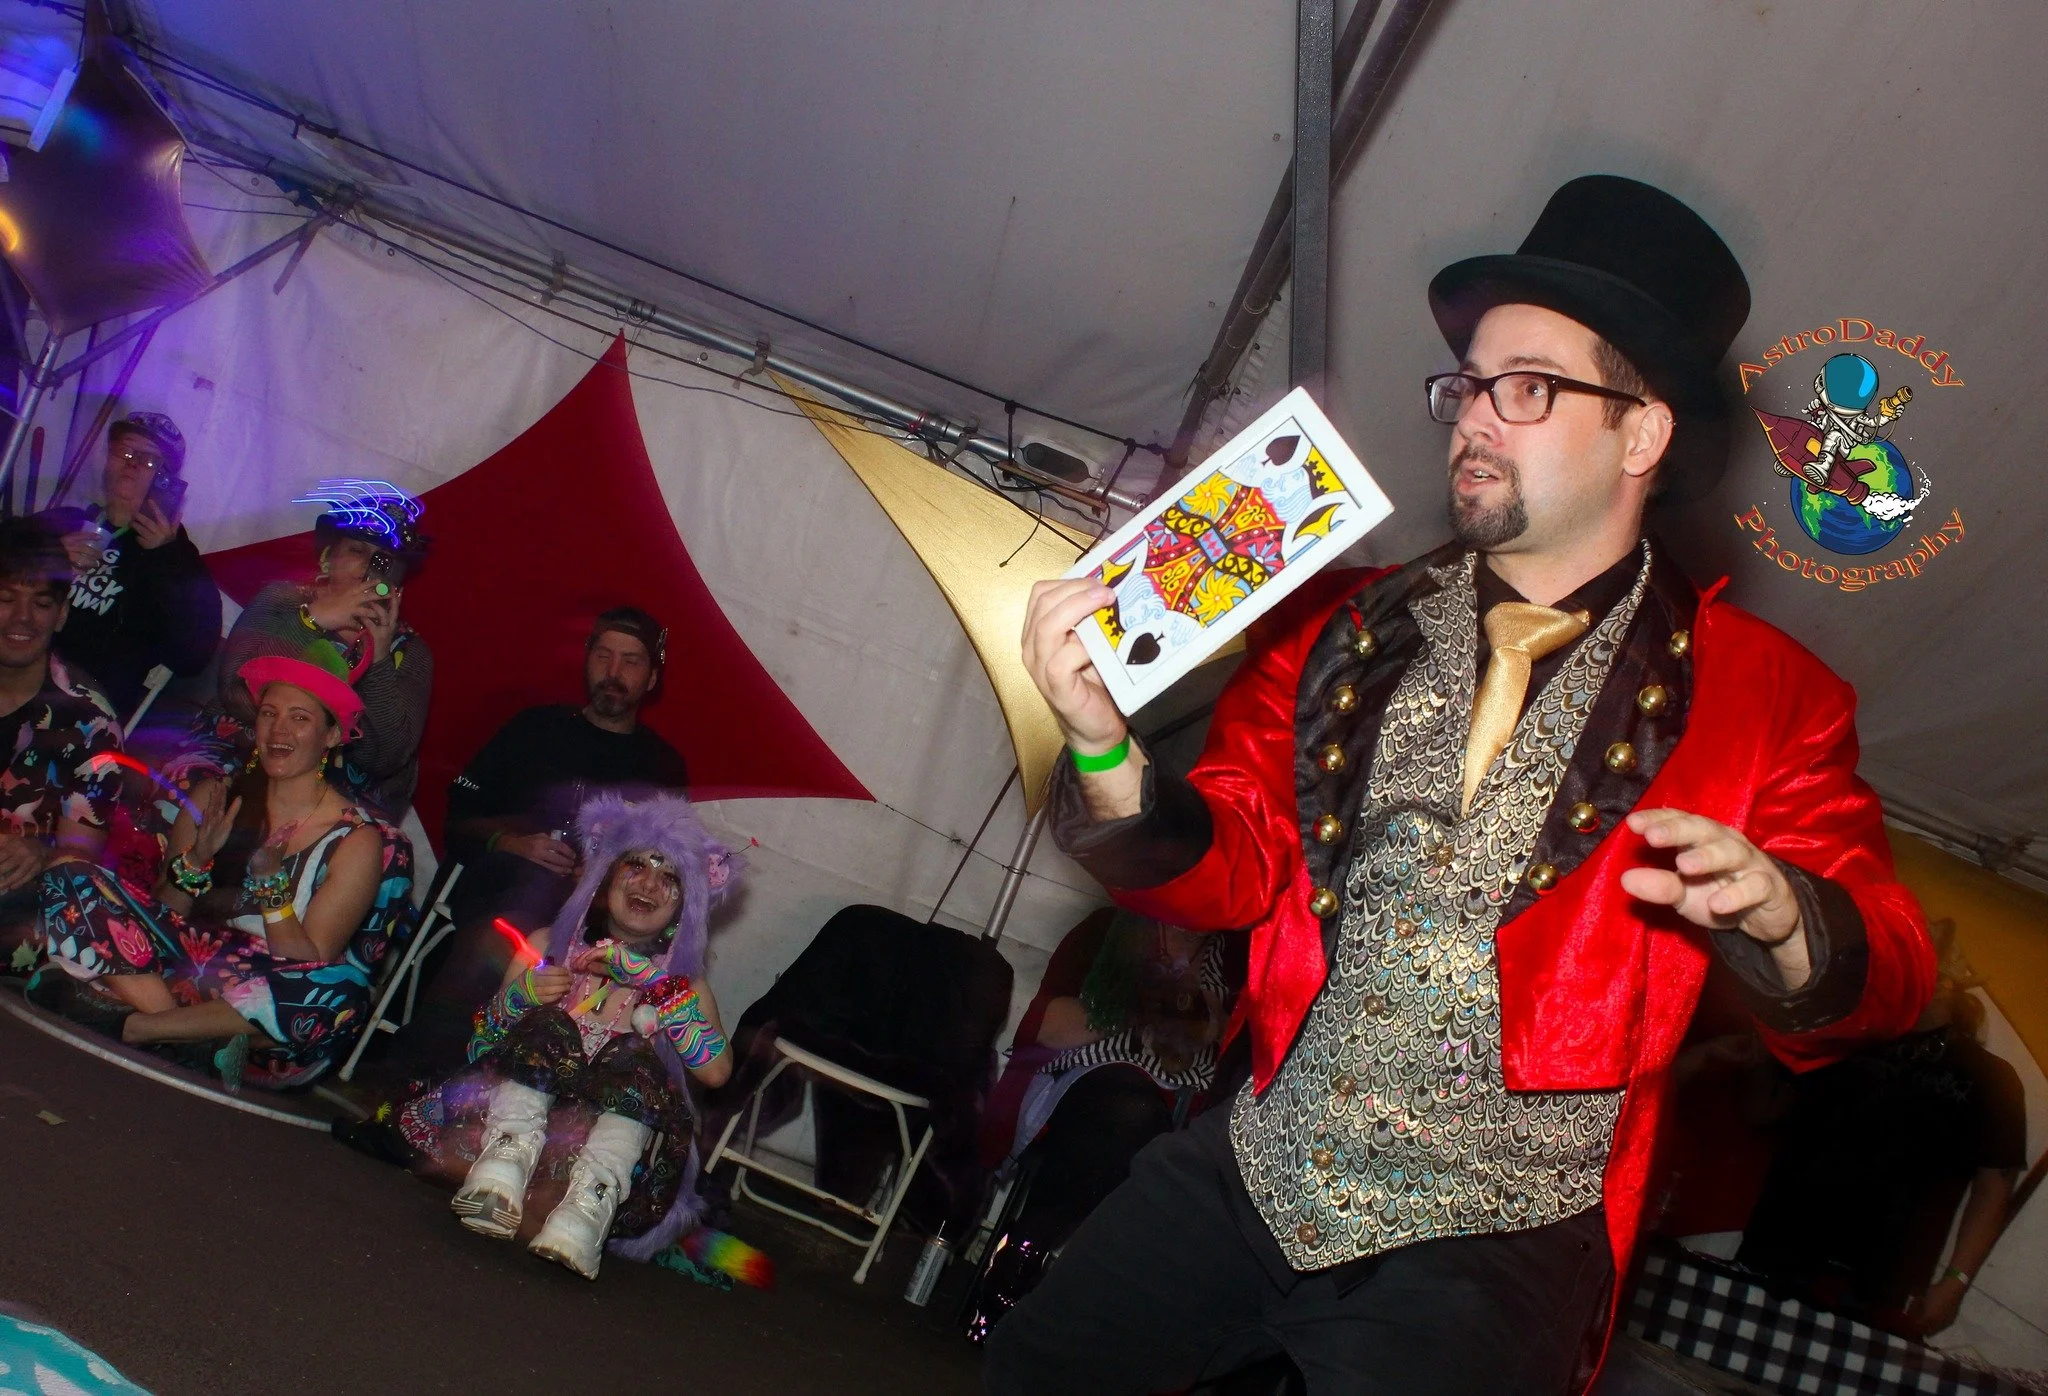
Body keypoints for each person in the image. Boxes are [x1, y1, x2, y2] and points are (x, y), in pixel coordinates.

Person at [996, 175, 1935, 1395]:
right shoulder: (1336, 622)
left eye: (1526, 388)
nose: (1471, 419)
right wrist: (1105, 748)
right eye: (1466, 384)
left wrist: (1787, 922)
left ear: (1640, 431)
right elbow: (1230, 866)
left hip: (1502, 1232)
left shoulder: (1772, 699)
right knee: (1038, 1371)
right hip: (1269, 1156)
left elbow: (1895, 970)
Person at [385, 791, 738, 1280]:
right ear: (604, 875)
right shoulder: (547, 948)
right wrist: (521, 997)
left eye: (671, 878)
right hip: (510, 1136)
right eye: (635, 865)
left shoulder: (684, 985)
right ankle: (501, 1174)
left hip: (609, 1158)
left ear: (686, 906)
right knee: (548, 1024)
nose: (650, 885)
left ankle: (586, 1211)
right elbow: (481, 1047)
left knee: (636, 1055)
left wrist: (661, 989)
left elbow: (717, 1073)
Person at [32, 650, 415, 1089]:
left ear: (331, 736)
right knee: (70, 872)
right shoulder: (217, 796)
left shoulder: (357, 838)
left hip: (266, 997)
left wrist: (272, 884)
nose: (279, 730)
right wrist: (196, 861)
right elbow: (162, 916)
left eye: (300, 718)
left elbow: (307, 961)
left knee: (342, 991)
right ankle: (189, 1037)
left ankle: (139, 1027)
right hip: (181, 969)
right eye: (269, 714)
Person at [965, 909, 1241, 1343]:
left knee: (1187, 1149)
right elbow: (1047, 1025)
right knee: (1129, 1110)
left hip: (1190, 1104)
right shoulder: (1110, 929)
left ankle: (1035, 1257)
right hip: (1092, 1081)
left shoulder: (1238, 957)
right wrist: (1145, 1017)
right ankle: (1030, 1252)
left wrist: (1204, 1024)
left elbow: (1238, 1046)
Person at [1736, 964, 2026, 1338]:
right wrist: (1762, 1050)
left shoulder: (1990, 1078)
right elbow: (1761, 1111)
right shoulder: (1839, 1035)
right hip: (1776, 1250)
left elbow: (1993, 1189)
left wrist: (1954, 1283)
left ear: (1951, 982)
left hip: (1881, 1283)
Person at [174, 479, 432, 819]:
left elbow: (385, 759)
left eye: (384, 561)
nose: (369, 568)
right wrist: (314, 620)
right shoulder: (282, 600)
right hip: (236, 759)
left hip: (329, 799)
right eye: (357, 551)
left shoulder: (409, 652)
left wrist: (379, 659)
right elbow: (235, 691)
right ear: (329, 557)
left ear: (397, 584)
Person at [445, 606, 690, 938]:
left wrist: (602, 876)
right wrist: (511, 843)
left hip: (595, 921)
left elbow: (664, 867)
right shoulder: (535, 728)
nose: (613, 672)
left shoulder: (663, 769)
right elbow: (460, 818)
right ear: (587, 661)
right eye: (603, 656)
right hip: (500, 889)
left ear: (651, 679)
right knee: (525, 897)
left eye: (630, 662)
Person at [41, 412, 222, 718]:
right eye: (125, 452)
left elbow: (193, 657)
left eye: (150, 461)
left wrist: (165, 559)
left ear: (168, 483)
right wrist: (49, 556)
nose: (133, 464)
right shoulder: (65, 522)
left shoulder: (178, 557)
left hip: (84, 707)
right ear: (107, 461)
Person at [0, 517, 121, 965]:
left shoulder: (91, 722)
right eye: (6, 599)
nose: (22, 619)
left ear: (62, 613)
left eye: (41, 603)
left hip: (15, 898)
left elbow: (81, 856)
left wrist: (40, 849)